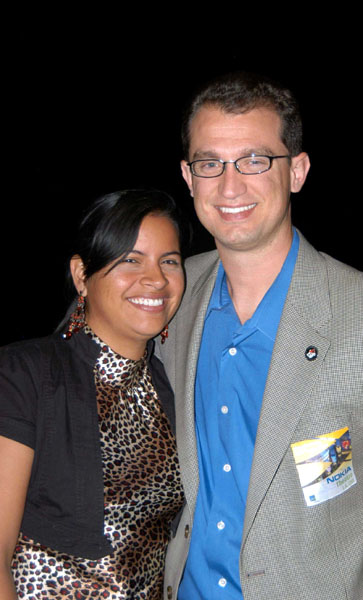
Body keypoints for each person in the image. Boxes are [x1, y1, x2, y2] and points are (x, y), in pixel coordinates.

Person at [158, 73, 363, 600]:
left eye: (254, 160)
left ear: (297, 171)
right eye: (210, 163)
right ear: (187, 176)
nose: (229, 186)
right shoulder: (164, 295)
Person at [0, 189, 186, 599]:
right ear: (82, 275)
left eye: (169, 261)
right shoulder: (24, 376)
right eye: (131, 260)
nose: (156, 279)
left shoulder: (172, 389)